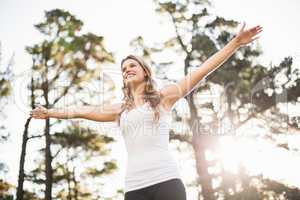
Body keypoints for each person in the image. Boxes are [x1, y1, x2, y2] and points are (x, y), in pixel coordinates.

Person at [30, 22, 262, 200]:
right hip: (134, 187)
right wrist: (50, 112)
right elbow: (82, 110)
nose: (127, 69)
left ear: (145, 72)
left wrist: (235, 43)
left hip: (166, 180)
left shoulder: (163, 98)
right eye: (123, 68)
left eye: (132, 65)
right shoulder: (119, 110)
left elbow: (201, 71)